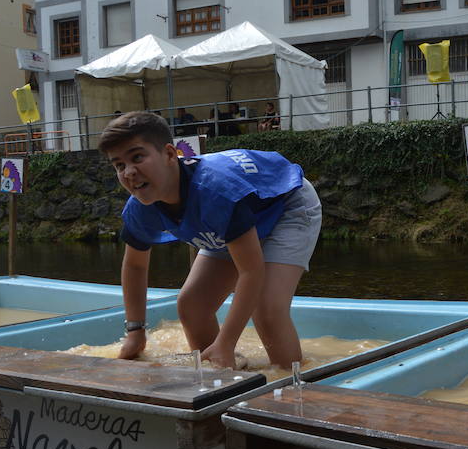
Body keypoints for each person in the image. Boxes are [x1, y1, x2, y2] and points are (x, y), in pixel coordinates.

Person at [99, 111, 322, 370]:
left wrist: (226, 340)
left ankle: (293, 384)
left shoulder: (215, 192)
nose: (129, 172)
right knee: (193, 305)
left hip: (286, 203)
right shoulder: (140, 206)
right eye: (119, 165)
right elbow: (135, 266)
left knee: (267, 309)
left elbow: (251, 271)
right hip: (232, 220)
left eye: (137, 157)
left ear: (170, 154)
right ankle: (222, 369)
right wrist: (135, 332)